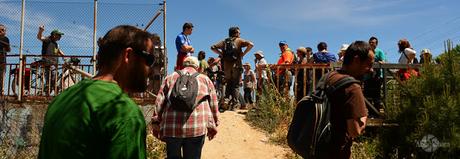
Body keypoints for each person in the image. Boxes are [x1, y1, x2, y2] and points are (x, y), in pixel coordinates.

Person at [38, 25, 154, 158]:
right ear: (128, 55)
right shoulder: (123, 111)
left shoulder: (62, 99)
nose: (150, 69)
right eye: (149, 60)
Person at [152, 56, 219, 159]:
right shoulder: (205, 79)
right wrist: (214, 123)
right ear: (197, 67)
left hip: (171, 128)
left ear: (184, 65)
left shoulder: (170, 77)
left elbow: (159, 101)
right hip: (196, 128)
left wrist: (156, 122)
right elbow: (213, 104)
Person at [318, 40, 371, 159]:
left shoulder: (328, 77)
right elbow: (354, 131)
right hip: (337, 152)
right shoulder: (352, 87)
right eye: (369, 64)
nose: (371, 69)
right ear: (357, 60)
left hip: (318, 148)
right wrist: (365, 116)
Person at [210, 26, 253, 110]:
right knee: (236, 85)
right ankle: (235, 104)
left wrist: (221, 54)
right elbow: (251, 44)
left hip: (226, 67)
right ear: (236, 33)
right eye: (239, 33)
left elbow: (212, 47)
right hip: (237, 65)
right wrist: (243, 53)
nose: (240, 34)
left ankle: (226, 100)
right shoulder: (239, 40)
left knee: (229, 83)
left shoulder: (224, 41)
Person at [37, 25, 65, 95]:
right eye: (59, 35)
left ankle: (49, 90)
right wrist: (40, 31)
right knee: (52, 77)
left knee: (52, 77)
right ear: (54, 35)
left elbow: (60, 52)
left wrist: (65, 57)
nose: (60, 37)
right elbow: (40, 37)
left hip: (54, 63)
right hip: (48, 62)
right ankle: (52, 91)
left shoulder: (56, 44)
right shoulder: (48, 40)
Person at [364, 36, 386, 113]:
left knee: (376, 95)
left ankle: (376, 113)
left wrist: (379, 63)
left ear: (376, 44)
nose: (371, 44)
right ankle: (370, 113)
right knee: (367, 95)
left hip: (377, 76)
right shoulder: (366, 52)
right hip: (367, 76)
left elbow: (384, 61)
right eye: (370, 42)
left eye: (373, 42)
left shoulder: (379, 51)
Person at [0, 24, 11, 95]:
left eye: (2, 30)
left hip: (2, 60)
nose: (0, 31)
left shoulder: (6, 39)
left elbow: (8, 49)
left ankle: (1, 90)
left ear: (5, 32)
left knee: (1, 75)